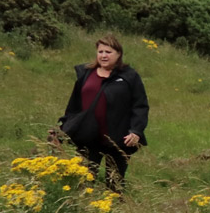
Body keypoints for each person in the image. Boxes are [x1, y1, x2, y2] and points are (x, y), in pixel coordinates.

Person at [58, 34, 149, 190]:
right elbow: (74, 106)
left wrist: (136, 131)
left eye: (108, 52)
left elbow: (140, 106)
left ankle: (115, 210)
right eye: (100, 52)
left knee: (115, 184)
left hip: (118, 139)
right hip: (88, 137)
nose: (104, 55)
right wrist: (62, 128)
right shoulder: (86, 73)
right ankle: (85, 211)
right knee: (83, 182)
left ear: (118, 54)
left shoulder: (129, 76)